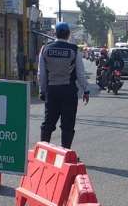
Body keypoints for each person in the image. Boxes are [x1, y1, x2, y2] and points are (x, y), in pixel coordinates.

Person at [38, 21, 90, 149]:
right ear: (68, 35)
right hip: (69, 92)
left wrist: (42, 91)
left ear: (55, 33)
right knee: (68, 125)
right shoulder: (74, 50)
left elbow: (41, 74)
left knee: (48, 123)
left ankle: (43, 153)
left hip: (52, 91)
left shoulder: (45, 49)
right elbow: (80, 73)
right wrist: (86, 90)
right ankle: (65, 152)